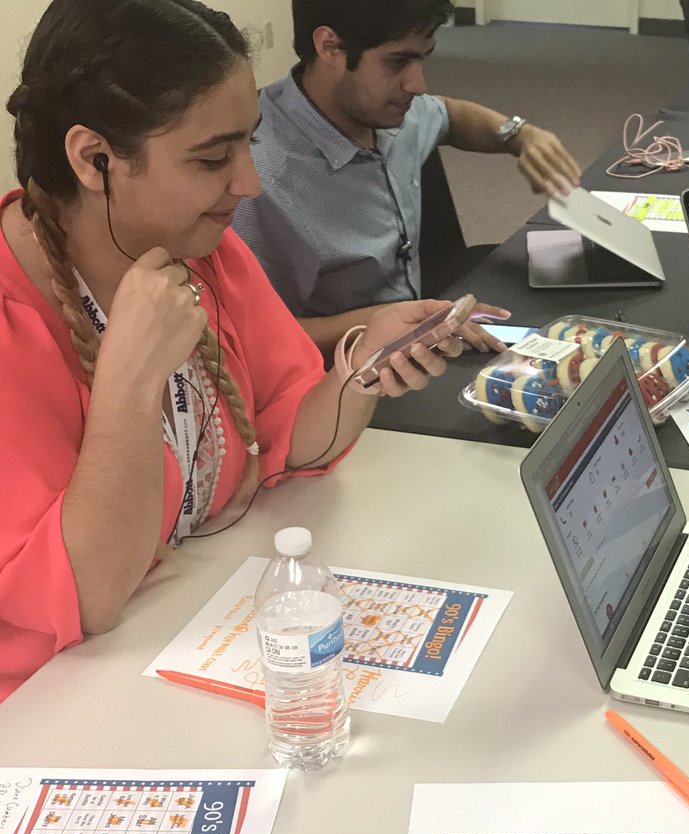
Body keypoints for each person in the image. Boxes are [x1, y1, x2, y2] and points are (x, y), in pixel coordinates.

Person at [0, 0, 502, 703]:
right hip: (59, 701)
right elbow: (86, 599)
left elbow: (288, 432)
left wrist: (361, 369)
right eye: (212, 159)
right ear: (94, 159)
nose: (249, 184)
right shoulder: (16, 318)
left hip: (182, 636)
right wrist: (128, 384)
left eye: (248, 145)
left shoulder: (198, 250)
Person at [232, 0, 583, 356]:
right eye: (398, 61)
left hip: (425, 318)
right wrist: (395, 321)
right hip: (350, 370)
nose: (417, 85)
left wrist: (519, 135)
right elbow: (258, 338)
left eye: (422, 59)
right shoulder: (259, 181)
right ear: (330, 46)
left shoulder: (382, 108)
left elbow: (448, 115)